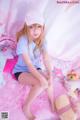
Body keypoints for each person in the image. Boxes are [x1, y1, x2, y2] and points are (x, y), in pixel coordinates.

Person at [13, 11, 54, 120]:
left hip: (36, 68)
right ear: (27, 27)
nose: (35, 31)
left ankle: (52, 101)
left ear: (42, 28)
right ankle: (26, 107)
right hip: (21, 71)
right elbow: (29, 64)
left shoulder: (42, 40)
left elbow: (46, 58)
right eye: (31, 27)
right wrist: (41, 78)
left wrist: (50, 73)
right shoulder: (23, 40)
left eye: (38, 27)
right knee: (41, 83)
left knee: (49, 80)